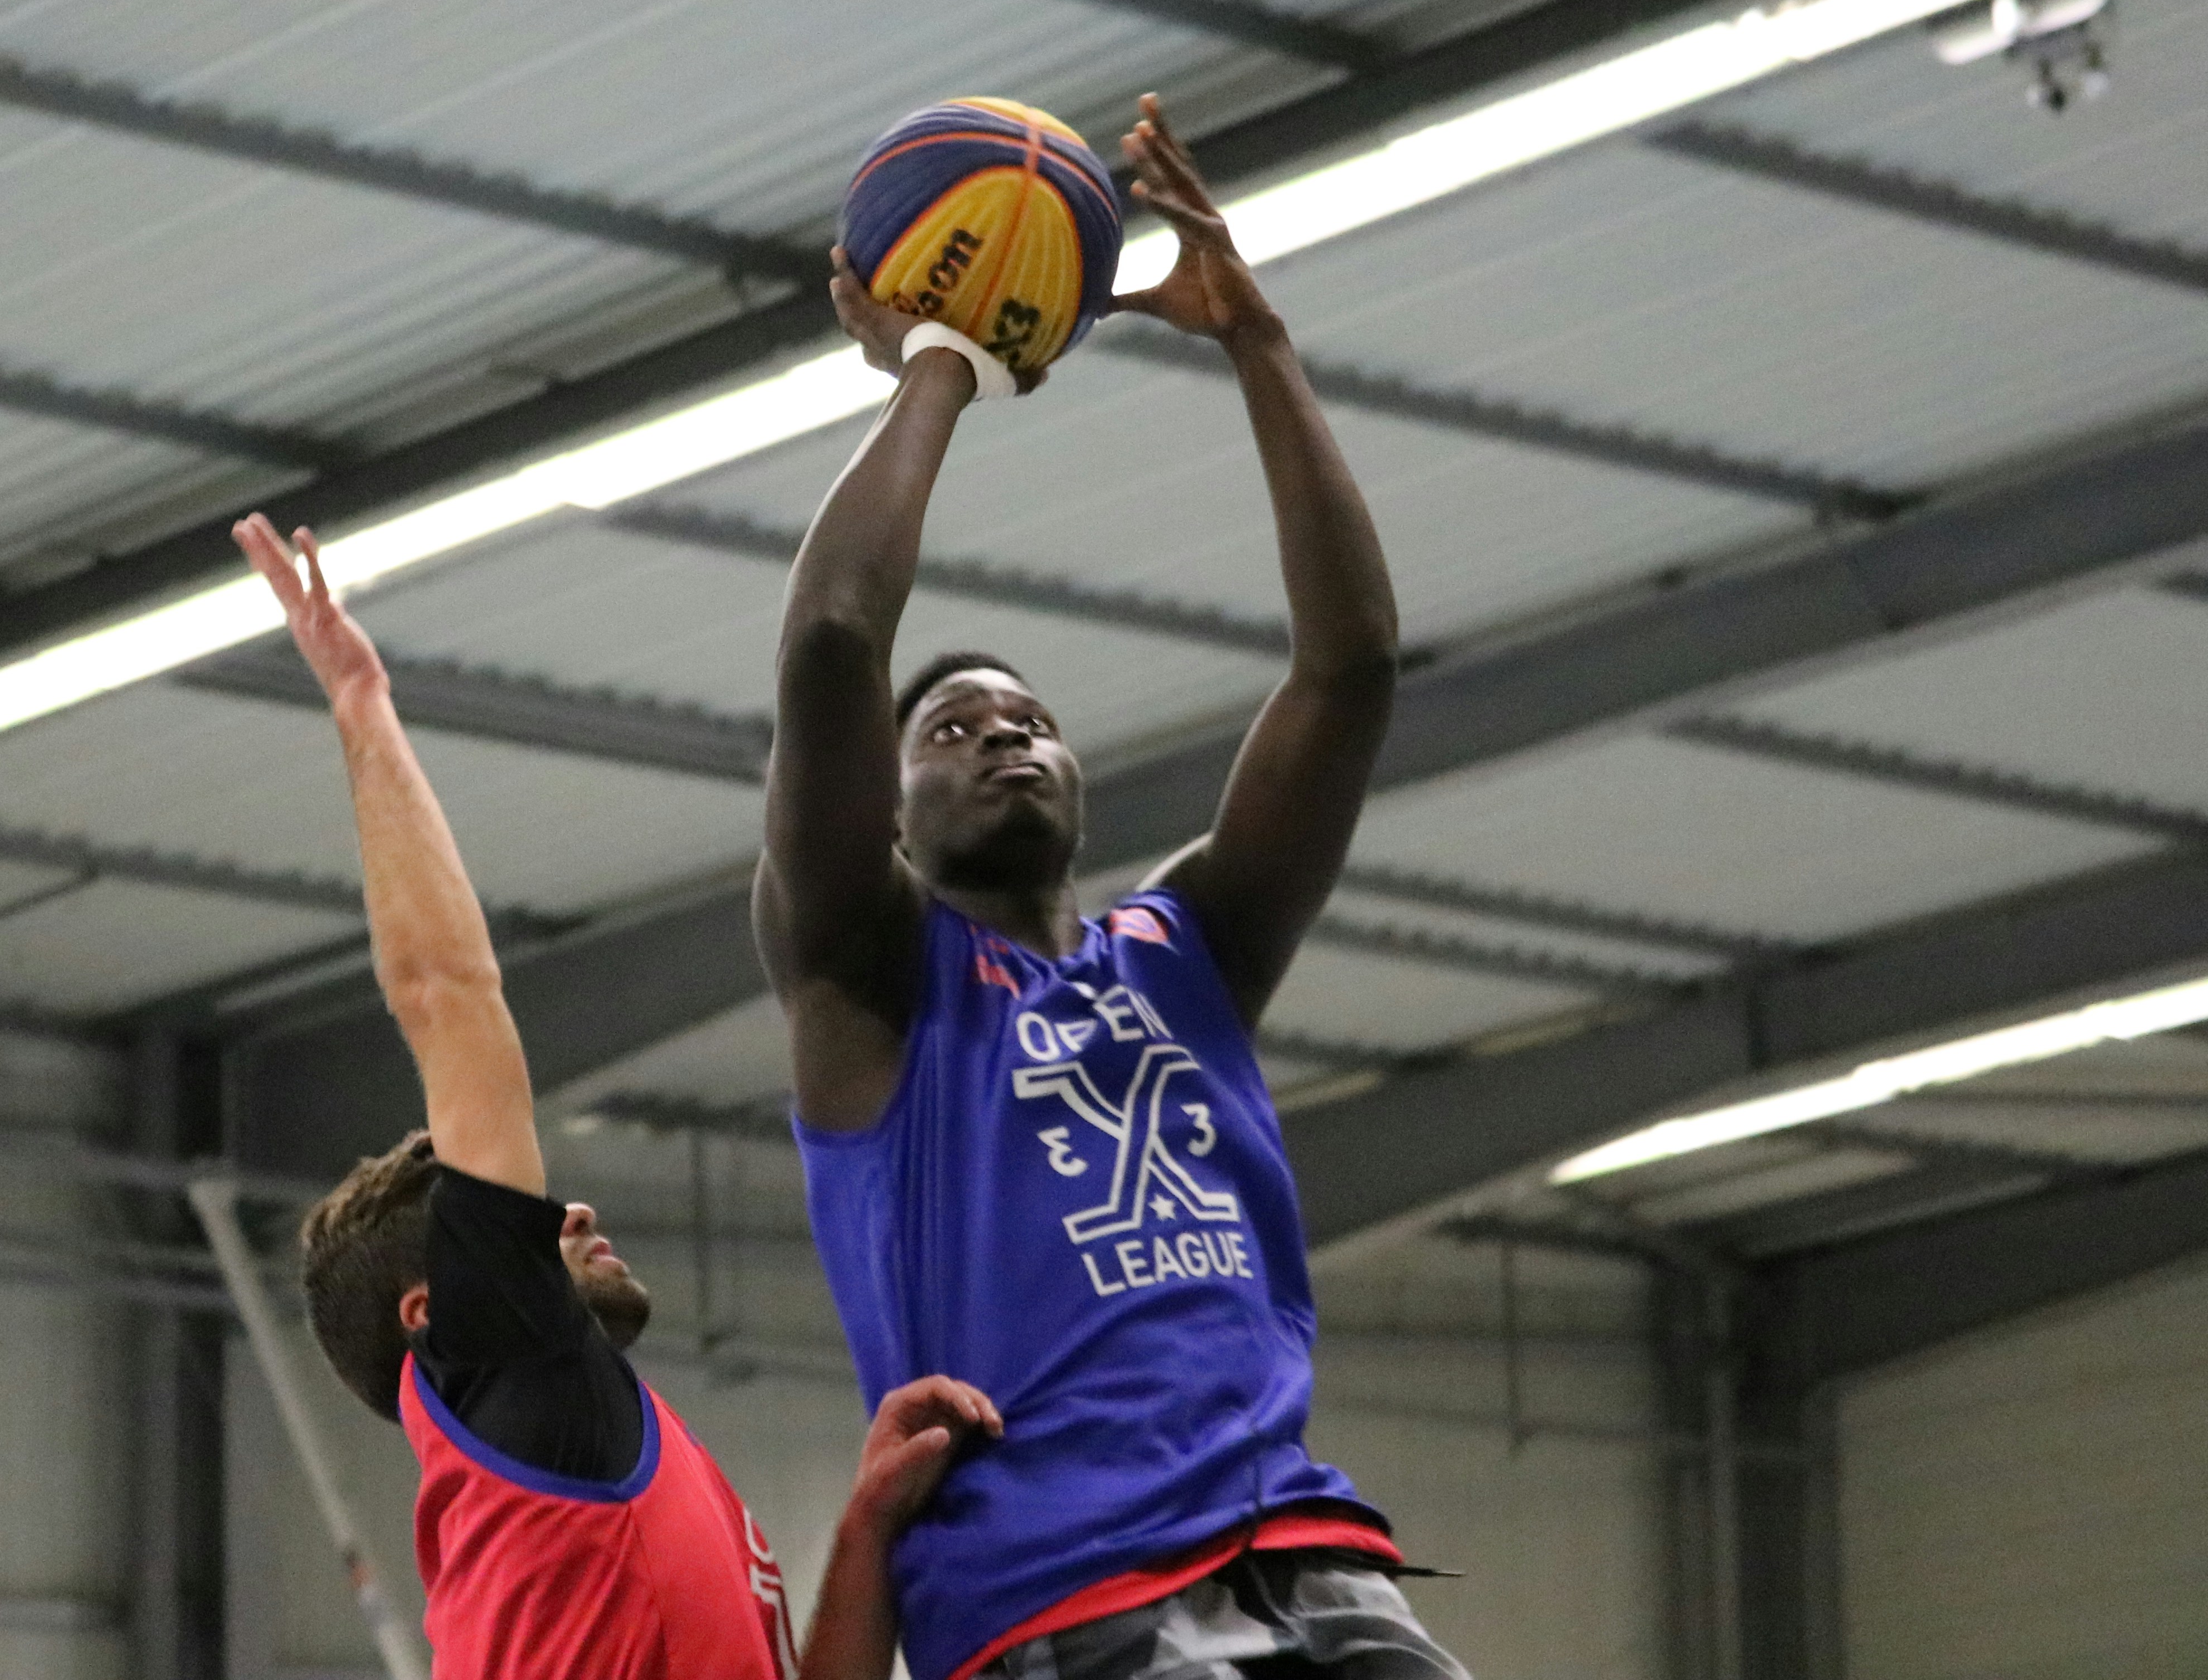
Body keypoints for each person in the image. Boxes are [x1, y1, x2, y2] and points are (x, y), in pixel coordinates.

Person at [756, 97, 1467, 1680]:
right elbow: (826, 649)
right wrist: (946, 356)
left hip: (1303, 1550)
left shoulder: (1190, 947)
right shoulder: (871, 980)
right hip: (1054, 1592)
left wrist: (1260, 346)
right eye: (953, 727)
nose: (1005, 732)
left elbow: (1347, 671)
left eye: (1033, 719)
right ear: (894, 805)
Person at [237, 513, 999, 1680]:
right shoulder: (513, 1371)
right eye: (524, 1220)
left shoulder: (605, 1468)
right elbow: (447, 993)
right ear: (439, 1309)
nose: (567, 1210)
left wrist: (866, 1526)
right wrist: (359, 702)